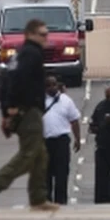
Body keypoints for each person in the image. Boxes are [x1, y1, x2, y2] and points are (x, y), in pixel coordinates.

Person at [0, 19, 57, 212]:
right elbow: (18, 81)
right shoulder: (32, 54)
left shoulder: (20, 54)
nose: (46, 38)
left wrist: (6, 109)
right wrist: (12, 107)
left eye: (46, 34)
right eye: (42, 34)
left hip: (23, 109)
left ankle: (38, 199)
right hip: (28, 110)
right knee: (29, 154)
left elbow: (5, 81)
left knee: (40, 156)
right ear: (30, 35)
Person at [42, 75, 82, 206]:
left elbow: (74, 120)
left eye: (54, 84)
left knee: (62, 173)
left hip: (61, 141)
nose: (52, 87)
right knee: (45, 173)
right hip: (44, 143)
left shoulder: (66, 101)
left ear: (57, 85)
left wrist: (77, 139)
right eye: (48, 85)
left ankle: (61, 201)